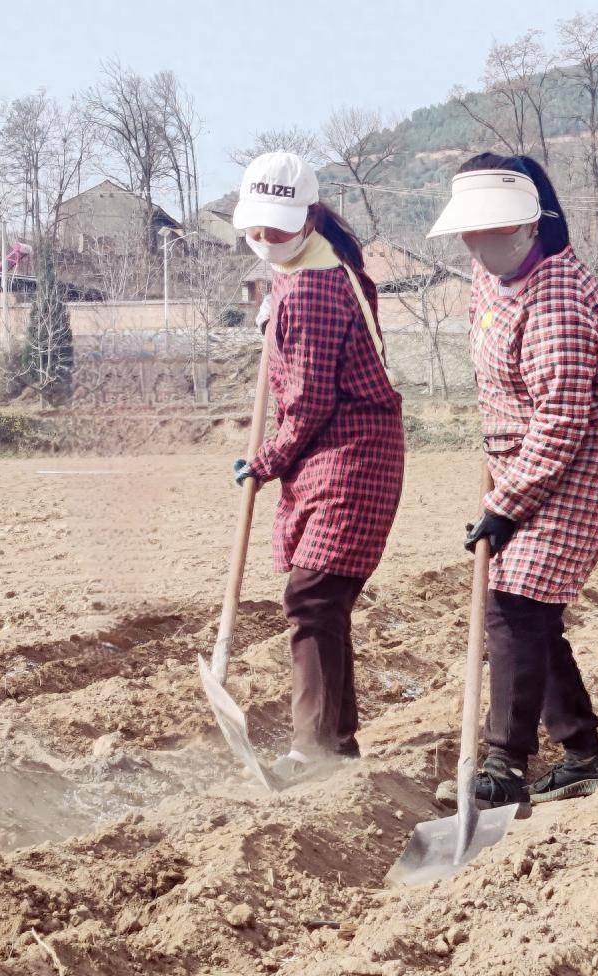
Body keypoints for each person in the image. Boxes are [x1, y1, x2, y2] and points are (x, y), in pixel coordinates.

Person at [427, 153, 598, 811]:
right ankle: (583, 754)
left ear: (529, 226)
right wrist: (497, 456)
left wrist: (506, 503)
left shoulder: (558, 298)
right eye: (469, 233)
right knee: (528, 606)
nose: (475, 244)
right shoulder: (490, 272)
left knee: (516, 600)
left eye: (489, 233)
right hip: (519, 452)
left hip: (581, 459)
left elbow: (561, 421)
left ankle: (503, 765)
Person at [229, 152, 405, 784]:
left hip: (351, 454)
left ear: (305, 218)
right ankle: (337, 743)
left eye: (276, 229)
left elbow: (306, 404)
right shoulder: (321, 263)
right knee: (323, 603)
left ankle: (315, 749)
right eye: (255, 230)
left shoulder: (312, 287)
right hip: (351, 449)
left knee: (312, 596)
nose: (265, 240)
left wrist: (264, 461)